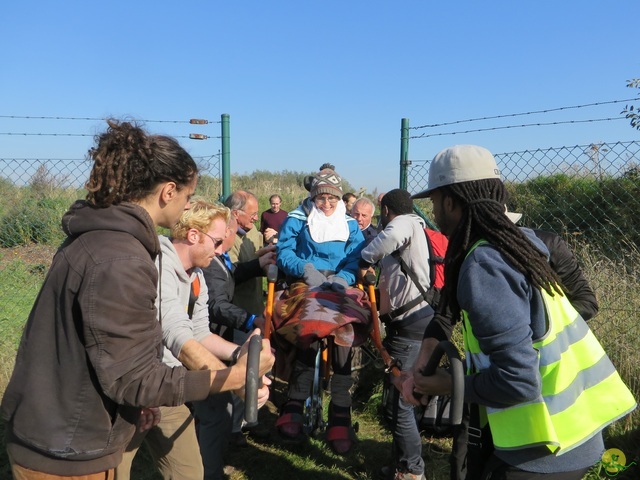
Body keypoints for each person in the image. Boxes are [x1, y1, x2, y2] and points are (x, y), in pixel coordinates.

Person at [0, 119, 274, 479]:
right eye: (189, 196)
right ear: (168, 191)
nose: (188, 206)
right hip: (68, 448)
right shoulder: (122, 259)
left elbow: (113, 351)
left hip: (67, 430)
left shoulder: (106, 241)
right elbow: (136, 377)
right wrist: (231, 379)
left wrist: (137, 402)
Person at [405, 144, 636, 480]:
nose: (434, 213)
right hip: (572, 437)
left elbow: (518, 382)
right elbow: (448, 313)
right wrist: (425, 366)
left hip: (539, 453)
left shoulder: (485, 263)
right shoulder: (524, 243)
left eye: (435, 202)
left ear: (451, 202)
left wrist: (447, 385)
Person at [116, 199, 272, 480]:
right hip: (128, 387)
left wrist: (242, 356)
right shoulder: (157, 264)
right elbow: (176, 333)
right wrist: (238, 382)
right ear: (193, 235)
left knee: (189, 471)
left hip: (164, 383)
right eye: (217, 241)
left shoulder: (197, 276)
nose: (221, 249)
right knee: (115, 470)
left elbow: (200, 332)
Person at [275, 164, 365, 454]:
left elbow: (356, 258)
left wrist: (344, 278)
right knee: (309, 321)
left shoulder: (349, 224)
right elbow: (284, 252)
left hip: (340, 284)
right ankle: (296, 400)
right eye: (321, 199)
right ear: (313, 198)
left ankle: (340, 410)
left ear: (339, 200)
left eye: (332, 199)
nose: (326, 204)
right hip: (307, 281)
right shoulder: (298, 219)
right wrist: (306, 269)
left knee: (345, 325)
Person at [358, 189, 433, 480]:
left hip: (412, 326)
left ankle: (413, 470)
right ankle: (402, 465)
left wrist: (364, 258)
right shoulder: (415, 227)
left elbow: (387, 238)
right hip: (410, 324)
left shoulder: (404, 223)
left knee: (401, 402)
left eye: (381, 212)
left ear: (387, 209)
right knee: (398, 399)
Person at [203, 213, 276, 447]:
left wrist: (257, 265)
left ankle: (235, 429)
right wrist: (250, 320)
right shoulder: (212, 264)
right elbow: (216, 305)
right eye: (233, 232)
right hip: (216, 336)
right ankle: (227, 436)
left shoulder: (219, 260)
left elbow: (232, 273)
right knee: (223, 388)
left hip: (222, 333)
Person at [224, 190, 265, 316]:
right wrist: (259, 264)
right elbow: (231, 274)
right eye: (253, 214)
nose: (256, 218)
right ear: (236, 214)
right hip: (238, 313)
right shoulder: (226, 237)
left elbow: (256, 255)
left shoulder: (251, 229)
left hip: (256, 306)